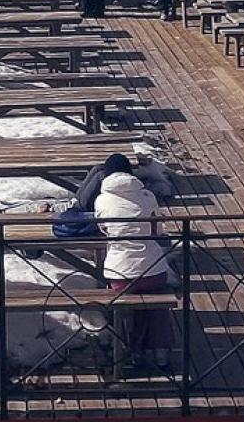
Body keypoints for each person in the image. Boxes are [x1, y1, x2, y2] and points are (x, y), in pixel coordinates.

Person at [93, 159, 173, 370]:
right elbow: (157, 231)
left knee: (125, 310)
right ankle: (160, 352)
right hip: (154, 268)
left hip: (120, 272)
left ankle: (130, 352)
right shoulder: (148, 196)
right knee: (157, 306)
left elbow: (104, 230)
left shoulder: (102, 201)